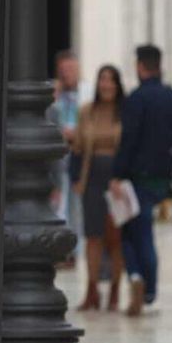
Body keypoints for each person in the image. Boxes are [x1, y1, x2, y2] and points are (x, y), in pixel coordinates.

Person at [111, 44, 172, 316]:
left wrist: (117, 174)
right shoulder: (171, 97)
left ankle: (141, 281)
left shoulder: (136, 99)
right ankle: (147, 287)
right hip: (162, 177)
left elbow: (128, 140)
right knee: (144, 232)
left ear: (140, 66)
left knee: (133, 234)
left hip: (137, 177)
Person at [72, 64, 126, 310]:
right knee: (92, 236)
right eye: (102, 79)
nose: (106, 84)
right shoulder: (86, 111)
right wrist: (75, 179)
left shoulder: (126, 112)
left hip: (117, 182)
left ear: (117, 84)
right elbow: (77, 147)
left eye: (111, 80)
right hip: (91, 178)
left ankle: (115, 290)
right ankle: (91, 290)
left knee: (115, 238)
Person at [48, 50, 82, 269]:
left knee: (75, 209)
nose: (66, 73)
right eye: (63, 70)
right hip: (57, 159)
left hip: (79, 156)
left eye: (70, 69)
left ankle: (73, 252)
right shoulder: (54, 95)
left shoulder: (87, 94)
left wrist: (77, 133)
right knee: (56, 205)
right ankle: (58, 251)